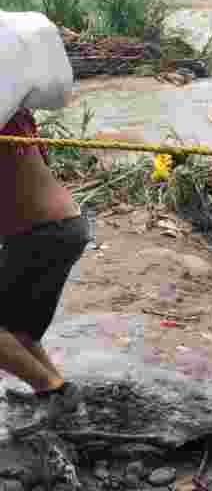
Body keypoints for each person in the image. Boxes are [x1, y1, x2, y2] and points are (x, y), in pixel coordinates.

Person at [0, 106, 90, 436]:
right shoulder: (11, 110)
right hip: (62, 226)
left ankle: (50, 391)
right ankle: (59, 393)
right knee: (18, 330)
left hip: (42, 233)